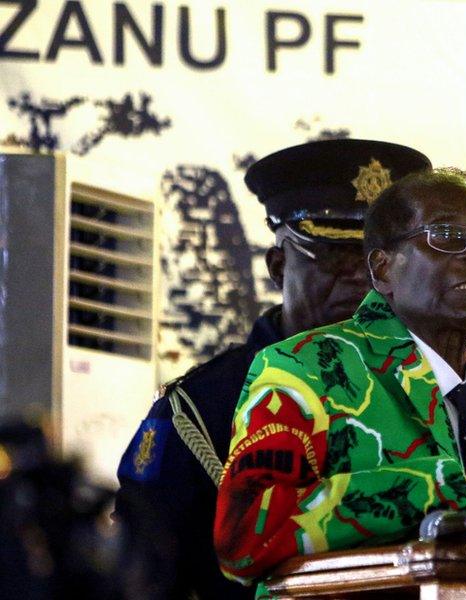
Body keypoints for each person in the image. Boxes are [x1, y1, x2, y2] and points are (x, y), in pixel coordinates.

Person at [213, 168, 466, 589]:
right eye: (446, 236)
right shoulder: (306, 368)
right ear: (383, 269)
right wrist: (443, 488)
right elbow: (243, 535)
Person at [114, 139, 432, 600]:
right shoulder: (203, 409)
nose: (363, 279)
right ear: (278, 266)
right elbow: (141, 576)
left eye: (381, 261)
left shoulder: (439, 388)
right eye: (336, 255)